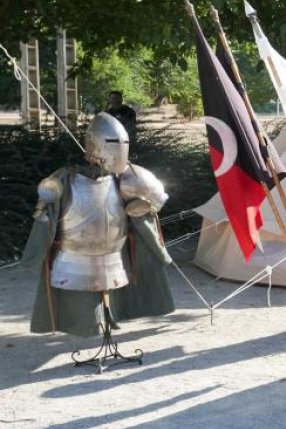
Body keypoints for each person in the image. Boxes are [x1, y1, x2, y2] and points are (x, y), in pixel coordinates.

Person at [25, 112, 174, 337]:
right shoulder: (65, 180)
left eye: (123, 142)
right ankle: (87, 324)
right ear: (94, 143)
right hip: (73, 257)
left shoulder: (127, 178)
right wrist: (35, 253)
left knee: (111, 287)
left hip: (114, 254)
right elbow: (46, 216)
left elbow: (153, 208)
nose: (119, 147)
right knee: (79, 297)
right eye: (113, 142)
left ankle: (109, 315)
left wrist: (142, 206)